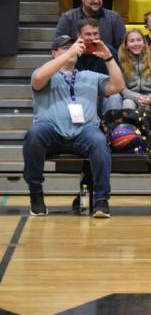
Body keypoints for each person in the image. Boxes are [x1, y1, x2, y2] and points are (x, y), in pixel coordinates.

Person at [23, 34, 125, 218]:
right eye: (64, 47)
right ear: (54, 53)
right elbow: (38, 79)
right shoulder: (45, 73)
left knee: (99, 140)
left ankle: (101, 200)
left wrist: (108, 57)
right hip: (50, 131)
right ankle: (36, 195)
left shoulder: (90, 76)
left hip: (83, 132)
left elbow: (118, 86)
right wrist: (68, 54)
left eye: (72, 47)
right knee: (34, 133)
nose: (71, 50)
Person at [118, 29, 151, 134]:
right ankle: (130, 139)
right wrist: (138, 97)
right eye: (132, 41)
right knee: (127, 103)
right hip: (132, 99)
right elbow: (121, 88)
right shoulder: (121, 61)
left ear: (144, 43)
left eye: (139, 40)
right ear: (126, 45)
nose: (136, 43)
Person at [56, 0, 126, 52]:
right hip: (76, 60)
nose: (96, 1)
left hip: (106, 60)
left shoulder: (114, 18)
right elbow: (59, 48)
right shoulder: (68, 18)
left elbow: (123, 48)